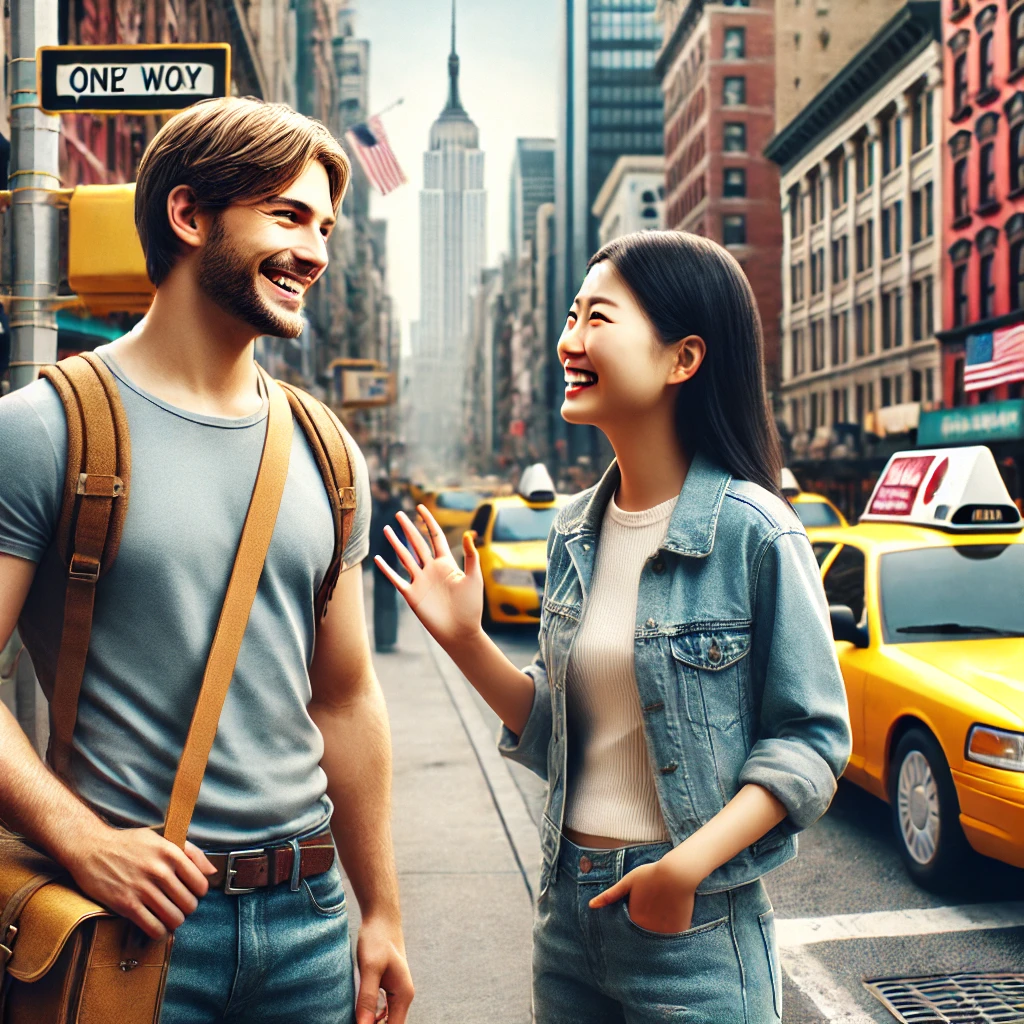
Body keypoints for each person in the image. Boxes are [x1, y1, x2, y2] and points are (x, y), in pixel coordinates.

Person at [0, 97, 412, 1024]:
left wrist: (381, 907)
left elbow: (344, 696)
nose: (315, 250)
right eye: (287, 216)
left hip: (311, 925)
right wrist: (80, 840)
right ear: (189, 217)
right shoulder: (42, 431)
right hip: (123, 927)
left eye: (326, 226)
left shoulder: (327, 448)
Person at [376, 230, 852, 1022]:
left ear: (682, 358)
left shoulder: (755, 532)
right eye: (570, 315)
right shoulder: (573, 531)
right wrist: (463, 640)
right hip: (569, 919)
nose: (569, 339)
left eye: (598, 317)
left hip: (693, 928)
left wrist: (682, 871)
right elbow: (558, 732)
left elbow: (810, 739)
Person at [369, 477, 404, 653]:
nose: (372, 489)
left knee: (388, 602)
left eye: (374, 486)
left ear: (382, 489)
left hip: (389, 563)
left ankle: (388, 640)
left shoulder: (394, 511)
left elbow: (400, 539)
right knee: (380, 602)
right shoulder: (379, 508)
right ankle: (382, 639)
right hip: (379, 563)